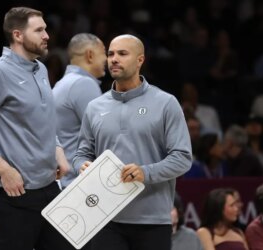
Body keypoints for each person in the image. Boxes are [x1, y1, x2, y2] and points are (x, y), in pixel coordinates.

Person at [0, 7, 74, 250]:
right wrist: (3, 170)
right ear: (18, 35)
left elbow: (41, 119)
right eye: (39, 30)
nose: (47, 36)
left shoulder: (41, 69)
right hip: (14, 192)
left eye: (45, 29)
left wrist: (57, 149)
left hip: (49, 186)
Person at [73, 34, 192, 250]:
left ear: (140, 60)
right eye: (110, 54)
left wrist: (145, 172)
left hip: (152, 221)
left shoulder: (165, 103)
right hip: (104, 217)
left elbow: (182, 158)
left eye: (122, 53)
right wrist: (81, 165)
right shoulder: (95, 107)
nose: (114, 59)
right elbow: (81, 153)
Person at [53, 33, 106, 188]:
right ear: (90, 55)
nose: (107, 60)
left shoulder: (63, 83)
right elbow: (104, 136)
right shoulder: (84, 84)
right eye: (104, 53)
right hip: (78, 184)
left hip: (65, 181)